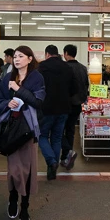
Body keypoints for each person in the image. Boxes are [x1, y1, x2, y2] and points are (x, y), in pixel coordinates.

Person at [0, 46, 45, 220]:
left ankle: (24, 210)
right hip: (11, 130)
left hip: (28, 130)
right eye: (15, 56)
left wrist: (18, 89)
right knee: (14, 169)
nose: (16, 59)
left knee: (28, 170)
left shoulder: (37, 78)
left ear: (30, 59)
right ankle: (13, 197)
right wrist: (7, 103)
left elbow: (38, 102)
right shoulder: (6, 77)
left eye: (21, 56)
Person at [37, 45, 75, 180]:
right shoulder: (67, 67)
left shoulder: (41, 67)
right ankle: (52, 170)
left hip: (46, 108)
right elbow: (73, 88)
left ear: (47, 54)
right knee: (57, 137)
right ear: (57, 54)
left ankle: (52, 162)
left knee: (41, 135)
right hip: (64, 108)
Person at [62, 44, 89, 170]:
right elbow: (85, 85)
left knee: (58, 130)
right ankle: (67, 155)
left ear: (66, 53)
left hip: (65, 103)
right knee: (71, 130)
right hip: (78, 104)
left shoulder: (64, 67)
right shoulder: (83, 68)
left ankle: (66, 153)